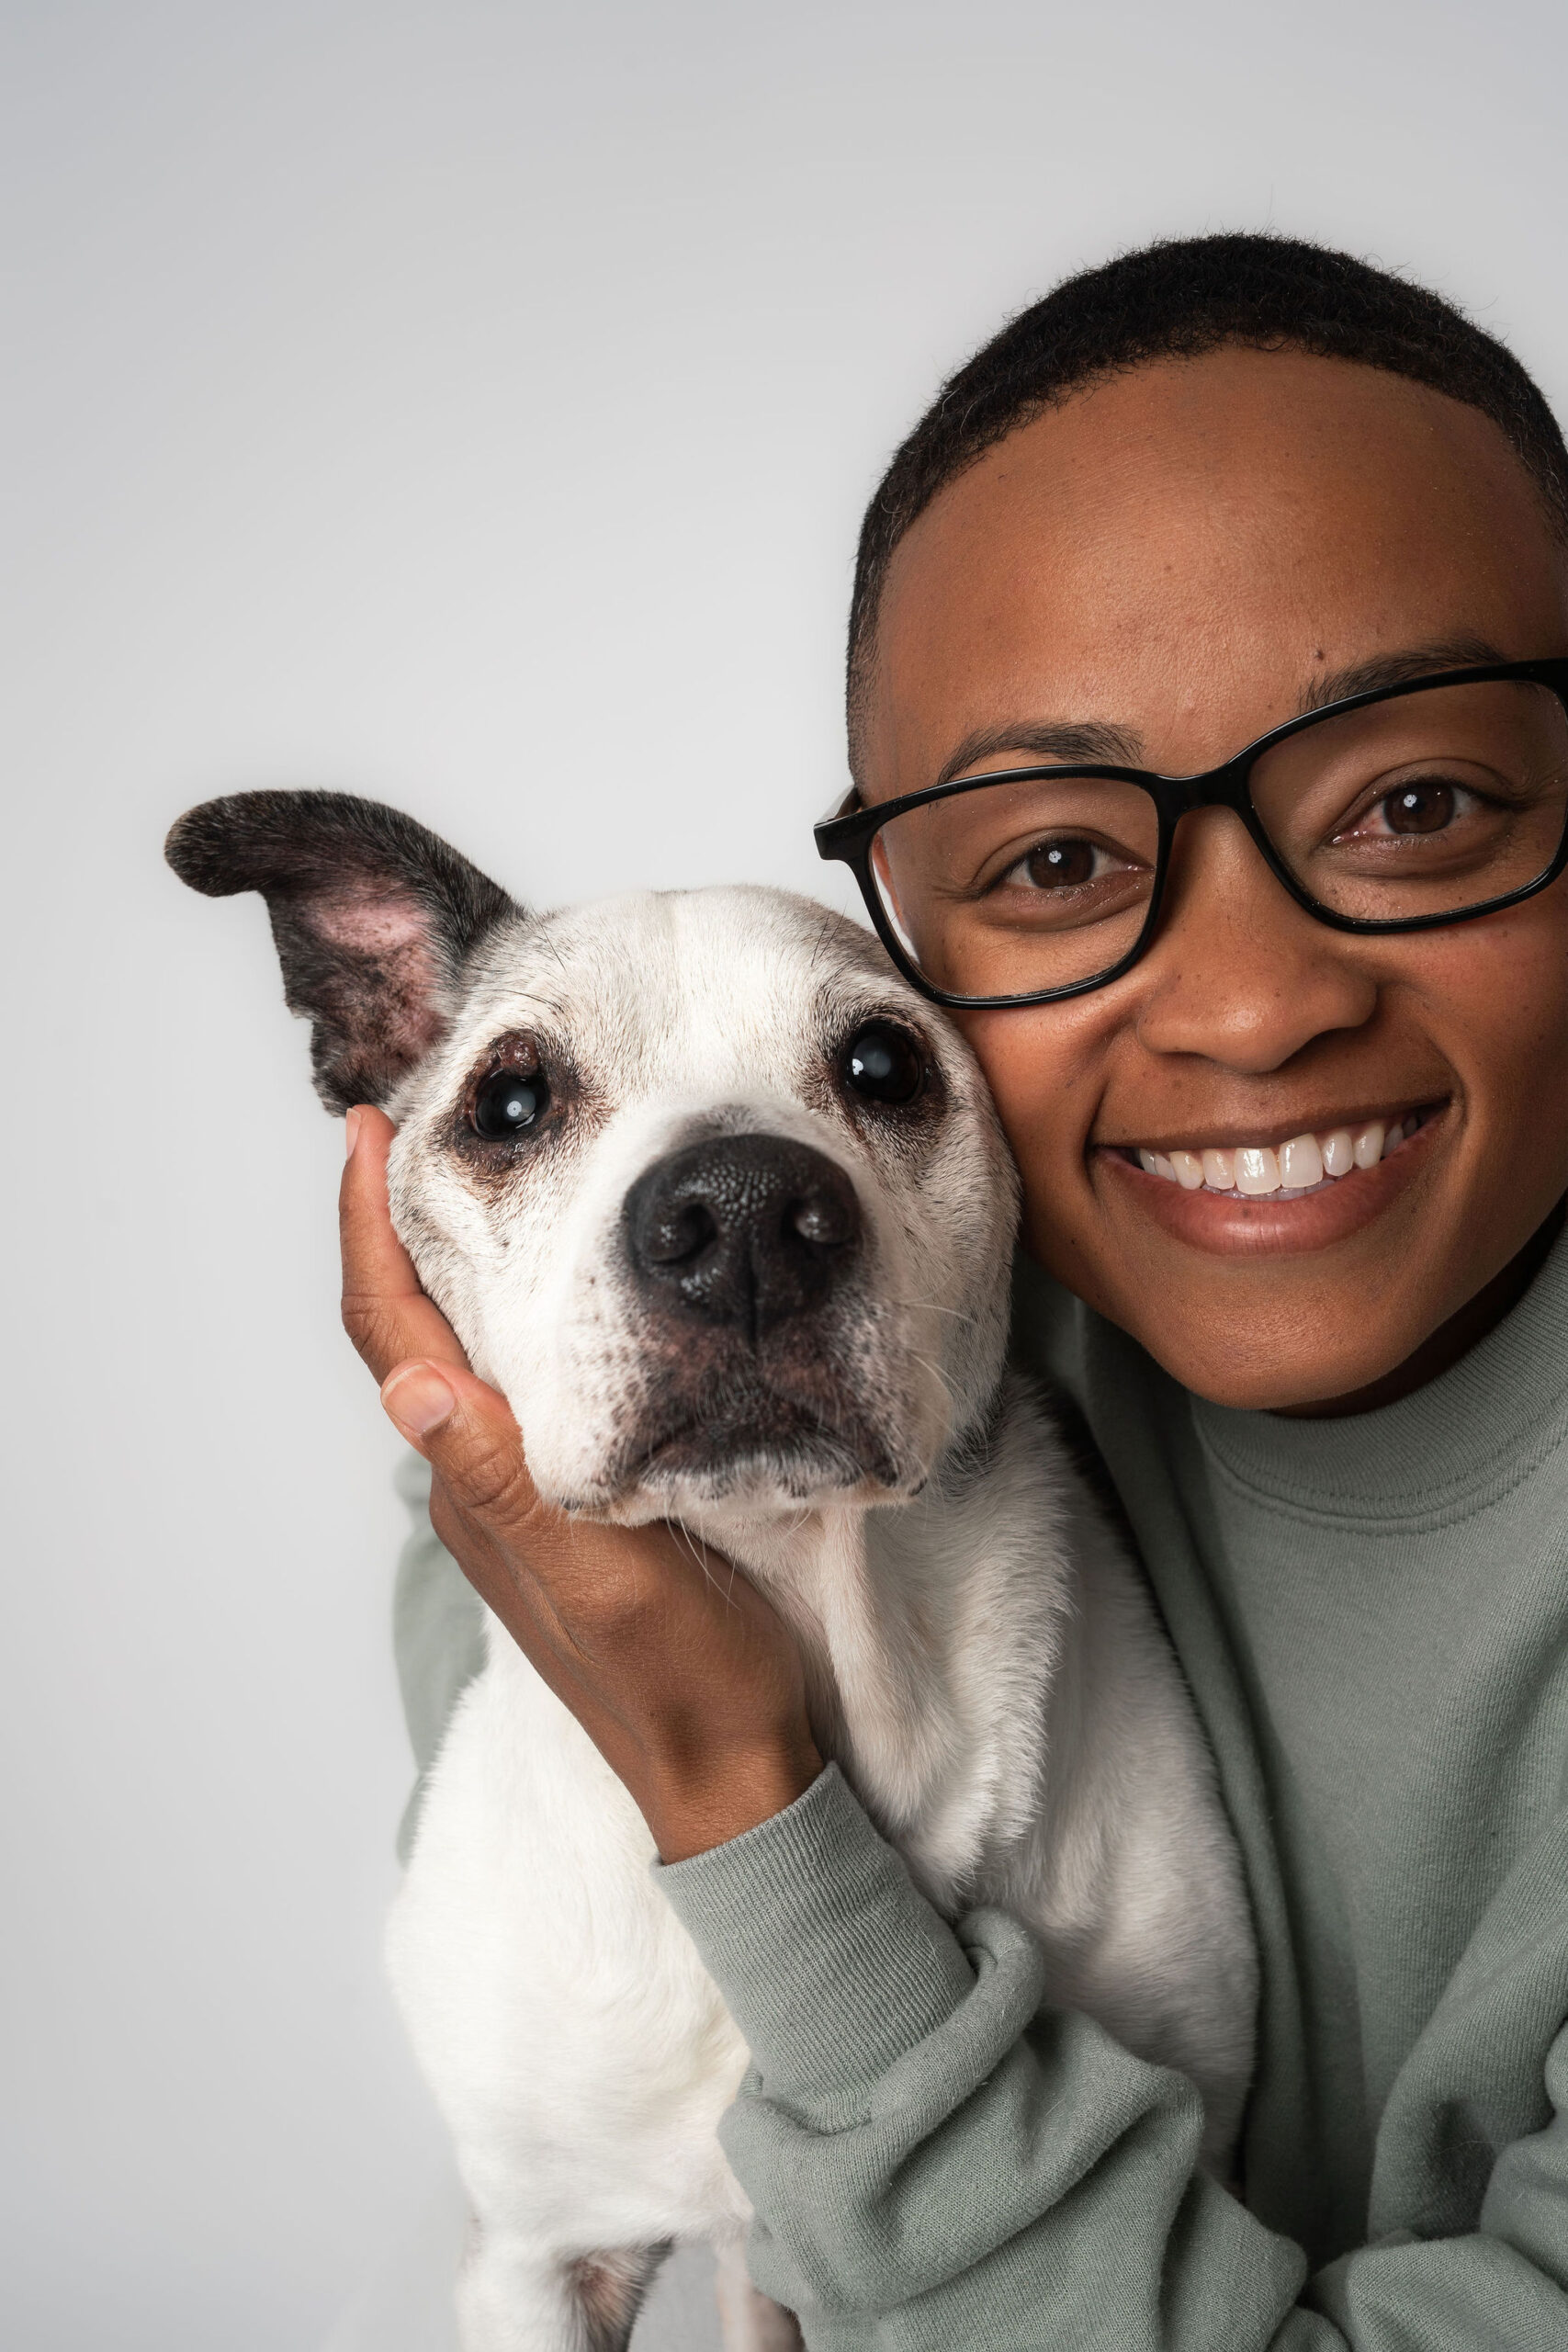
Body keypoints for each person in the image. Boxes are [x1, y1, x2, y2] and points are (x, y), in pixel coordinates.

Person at [339, 235, 1568, 2345]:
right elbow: (493, 1559)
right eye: (1061, 857)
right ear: (905, 905)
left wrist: (745, 1800)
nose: (1256, 1003)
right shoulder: (1017, 1248)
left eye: (1418, 800)